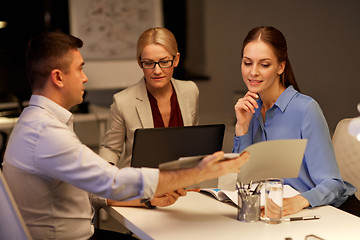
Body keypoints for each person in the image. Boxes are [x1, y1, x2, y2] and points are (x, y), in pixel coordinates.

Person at [2, 32, 250, 240]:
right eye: (80, 69)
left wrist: (148, 199)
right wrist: (198, 173)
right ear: (58, 77)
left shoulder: (36, 122)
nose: (85, 77)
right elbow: (110, 180)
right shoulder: (46, 133)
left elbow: (91, 187)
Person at [232, 26, 360, 217]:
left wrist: (297, 202)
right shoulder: (250, 109)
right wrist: (241, 126)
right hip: (275, 214)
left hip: (328, 213)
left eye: (264, 64)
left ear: (281, 67)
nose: (253, 72)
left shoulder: (306, 109)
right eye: (247, 63)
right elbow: (242, 182)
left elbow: (334, 183)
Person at [99, 27, 199, 168]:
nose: (157, 71)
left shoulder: (190, 91)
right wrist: (106, 176)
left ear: (176, 60)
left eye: (164, 62)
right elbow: (110, 149)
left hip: (181, 183)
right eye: (149, 63)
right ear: (140, 63)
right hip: (140, 184)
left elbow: (192, 142)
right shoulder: (122, 101)